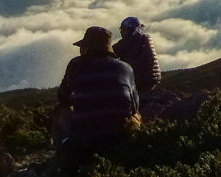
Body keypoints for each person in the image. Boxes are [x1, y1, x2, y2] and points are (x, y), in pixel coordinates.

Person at [55, 26, 140, 168]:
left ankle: (62, 153)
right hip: (120, 141)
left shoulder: (76, 65)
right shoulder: (125, 68)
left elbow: (63, 97)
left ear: (86, 49)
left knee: (61, 109)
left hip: (83, 144)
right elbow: (135, 107)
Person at [113, 16, 161, 93]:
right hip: (152, 77)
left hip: (140, 79)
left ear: (131, 30)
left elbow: (113, 51)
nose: (121, 32)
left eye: (124, 30)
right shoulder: (144, 39)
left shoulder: (130, 41)